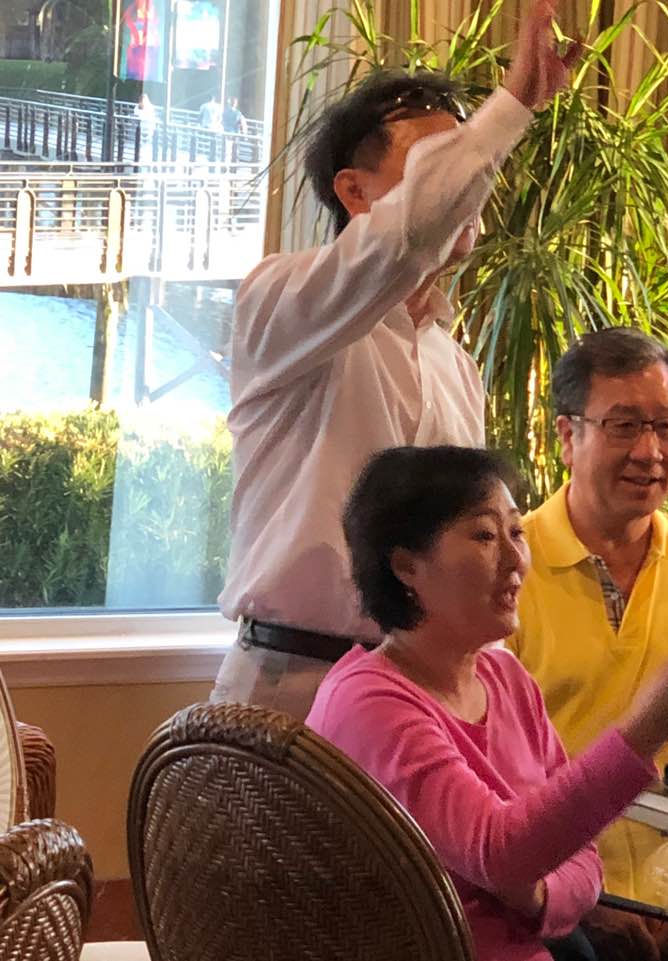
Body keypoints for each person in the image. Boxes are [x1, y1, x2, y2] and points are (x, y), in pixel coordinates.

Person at [211, 0, 582, 716]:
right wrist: (512, 107)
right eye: (435, 168)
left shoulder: (456, 366)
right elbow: (399, 241)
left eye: (465, 166)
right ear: (355, 192)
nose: (465, 188)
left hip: (420, 689)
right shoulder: (281, 303)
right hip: (293, 684)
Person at [305, 444, 668, 961]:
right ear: (406, 566)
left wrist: (541, 893)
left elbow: (582, 854)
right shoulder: (368, 702)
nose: (515, 559)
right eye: (484, 535)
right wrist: (646, 728)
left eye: (517, 533)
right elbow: (501, 853)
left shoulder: (506, 679)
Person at [505, 327, 668, 958]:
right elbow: (487, 782)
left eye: (667, 426)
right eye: (624, 426)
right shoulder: (505, 569)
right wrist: (579, 896)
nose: (650, 451)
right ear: (567, 437)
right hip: (548, 891)